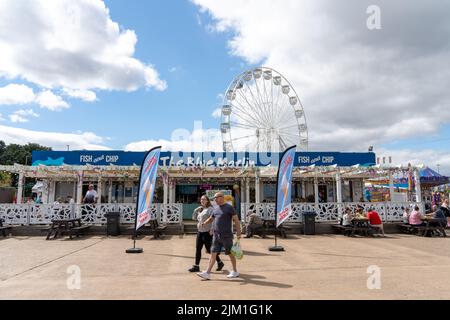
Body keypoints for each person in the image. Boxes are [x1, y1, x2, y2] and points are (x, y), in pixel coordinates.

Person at [197, 192, 241, 280]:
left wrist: (239, 231)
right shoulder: (215, 209)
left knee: (230, 253)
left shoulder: (229, 208)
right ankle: (207, 273)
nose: (214, 200)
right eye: (214, 198)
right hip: (216, 236)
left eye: (216, 198)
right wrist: (204, 223)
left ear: (222, 197)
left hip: (226, 236)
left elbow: (236, 220)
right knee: (213, 253)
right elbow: (212, 218)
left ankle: (235, 271)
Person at [188, 195, 224, 273]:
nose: (202, 200)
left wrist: (212, 229)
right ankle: (196, 266)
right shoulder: (201, 209)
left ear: (207, 201)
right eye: (201, 199)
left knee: (209, 250)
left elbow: (214, 219)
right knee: (198, 249)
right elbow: (194, 218)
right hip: (200, 232)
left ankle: (220, 262)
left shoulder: (210, 209)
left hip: (207, 232)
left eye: (204, 199)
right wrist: (195, 210)